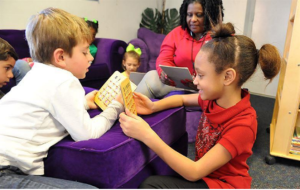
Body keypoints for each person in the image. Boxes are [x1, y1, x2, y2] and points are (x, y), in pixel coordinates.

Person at [119, 23, 281, 188]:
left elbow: (194, 171)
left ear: (227, 77)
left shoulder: (244, 124)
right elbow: (182, 99)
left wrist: (146, 134)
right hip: (205, 177)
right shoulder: (213, 99)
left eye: (201, 75)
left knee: (151, 185)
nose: (195, 81)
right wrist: (154, 106)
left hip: (221, 185)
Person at [0, 7, 124, 188]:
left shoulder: (37, 73)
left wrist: (84, 103)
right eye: (84, 52)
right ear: (60, 57)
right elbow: (87, 134)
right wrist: (115, 107)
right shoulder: (64, 81)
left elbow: (48, 105)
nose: (90, 57)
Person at [135, 0, 224, 99]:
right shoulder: (176, 33)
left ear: (209, 15)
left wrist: (200, 82)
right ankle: (126, 108)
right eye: (189, 15)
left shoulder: (220, 37)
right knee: (151, 76)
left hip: (206, 89)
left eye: (199, 15)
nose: (193, 19)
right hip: (178, 85)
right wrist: (164, 73)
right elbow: (164, 59)